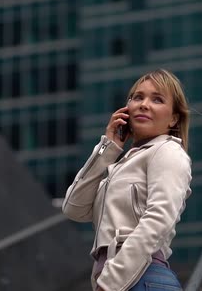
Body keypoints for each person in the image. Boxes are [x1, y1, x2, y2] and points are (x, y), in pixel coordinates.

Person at [62, 69, 192, 291]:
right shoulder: (120, 166)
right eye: (137, 97)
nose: (144, 104)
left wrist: (110, 284)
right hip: (122, 279)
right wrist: (107, 147)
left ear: (174, 118)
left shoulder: (168, 150)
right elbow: (73, 207)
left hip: (141, 277)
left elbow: (157, 220)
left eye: (157, 99)